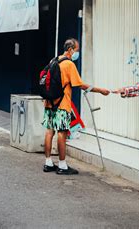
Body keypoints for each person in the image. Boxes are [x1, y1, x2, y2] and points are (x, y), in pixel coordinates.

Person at [43, 38, 110, 175]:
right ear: (70, 49)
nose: (77, 53)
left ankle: (48, 163)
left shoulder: (53, 60)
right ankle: (62, 165)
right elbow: (80, 85)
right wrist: (100, 90)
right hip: (62, 105)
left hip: (49, 103)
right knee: (62, 133)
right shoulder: (69, 64)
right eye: (77, 50)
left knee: (49, 131)